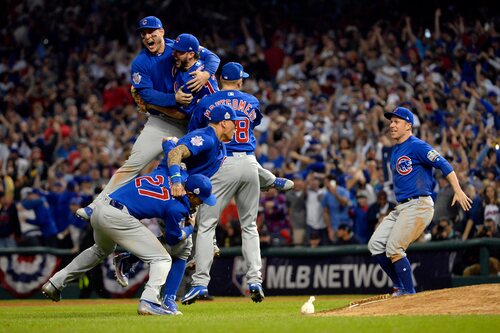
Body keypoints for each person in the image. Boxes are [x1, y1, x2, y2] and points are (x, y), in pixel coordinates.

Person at [76, 16, 220, 220]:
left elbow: (212, 57)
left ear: (162, 31)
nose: (148, 36)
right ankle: (97, 204)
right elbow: (145, 94)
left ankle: (200, 237)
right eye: (144, 34)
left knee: (196, 179)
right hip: (163, 121)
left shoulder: (177, 46)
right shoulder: (140, 63)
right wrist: (173, 98)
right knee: (135, 162)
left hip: (190, 124)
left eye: (152, 32)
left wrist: (206, 73)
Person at [41, 170, 216, 316]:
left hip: (101, 207)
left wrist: (170, 144)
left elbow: (170, 151)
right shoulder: (177, 207)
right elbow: (173, 239)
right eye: (200, 199)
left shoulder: (169, 172)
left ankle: (55, 283)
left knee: (99, 250)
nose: (202, 203)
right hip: (119, 216)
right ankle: (149, 300)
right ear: (191, 194)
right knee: (162, 259)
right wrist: (189, 229)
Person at [181, 63, 271, 305]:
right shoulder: (251, 100)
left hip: (222, 163)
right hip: (250, 163)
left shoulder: (207, 102)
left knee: (207, 225)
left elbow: (195, 133)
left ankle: (200, 283)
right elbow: (255, 122)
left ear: (220, 78)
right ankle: (255, 280)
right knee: (250, 226)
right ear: (239, 80)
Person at [367, 107, 472, 296]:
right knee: (375, 244)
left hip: (419, 204)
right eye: (391, 121)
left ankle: (409, 292)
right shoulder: (395, 151)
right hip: (402, 207)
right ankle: (399, 286)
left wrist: (458, 190)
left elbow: (443, 164)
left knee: (394, 247)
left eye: (396, 122)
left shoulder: (417, 145)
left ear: (408, 125)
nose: (391, 125)